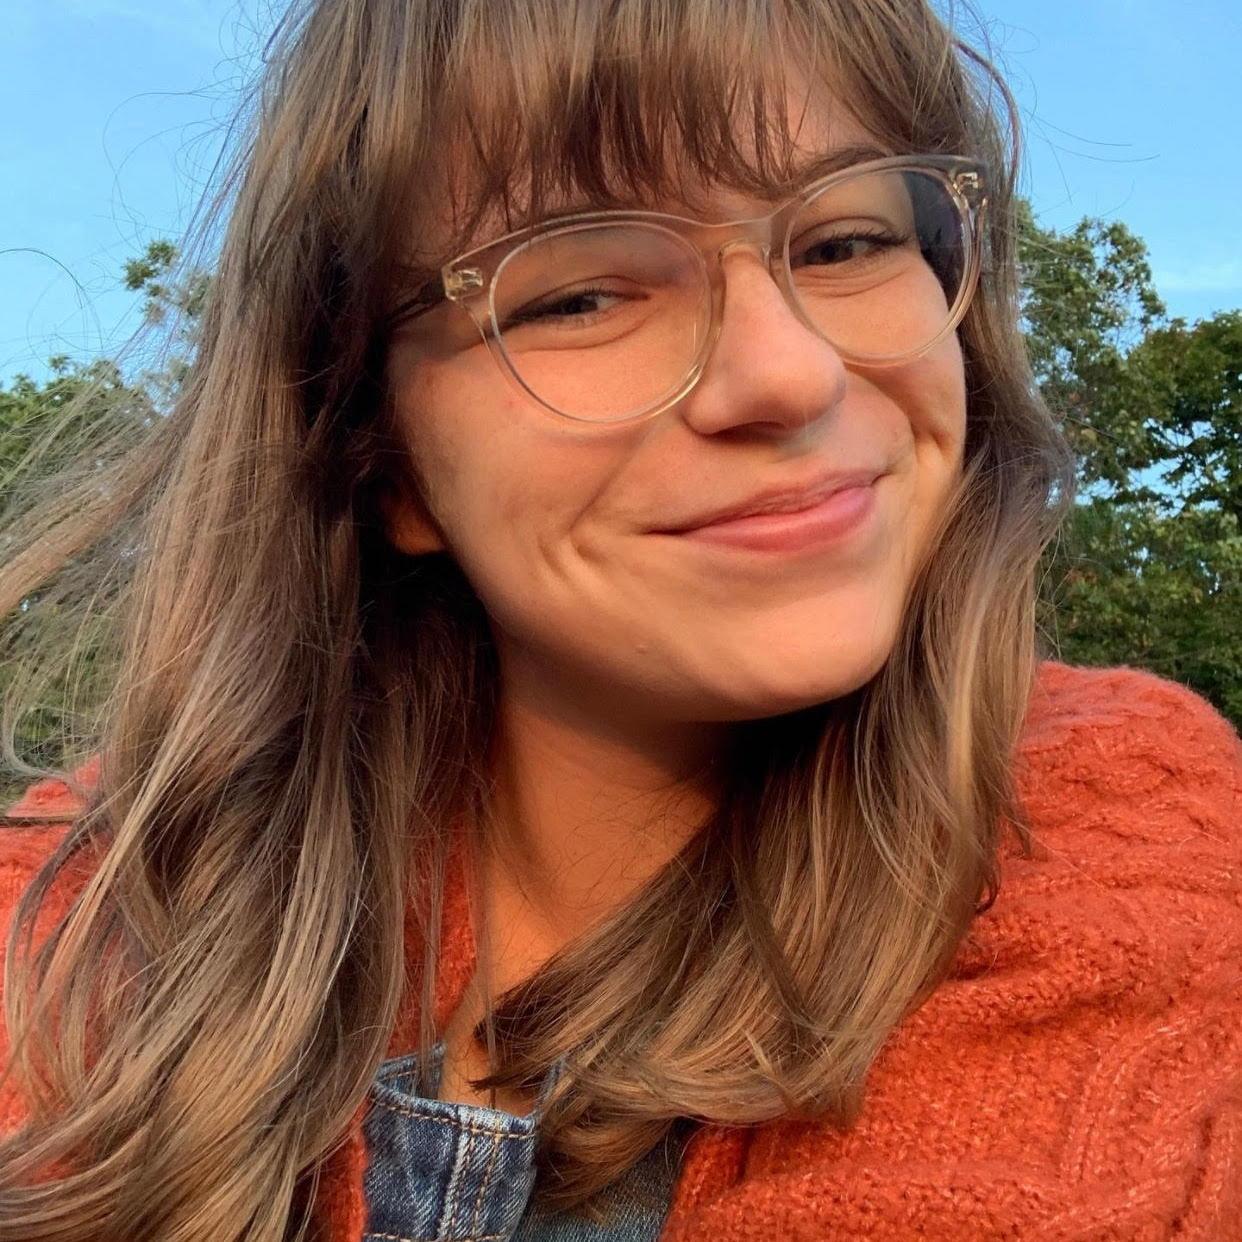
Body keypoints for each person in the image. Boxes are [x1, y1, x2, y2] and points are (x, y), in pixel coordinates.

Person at [0, 0, 1238, 1239]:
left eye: (846, 241)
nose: (791, 373)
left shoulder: (1110, 837)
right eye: (583, 297)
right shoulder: (94, 912)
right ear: (384, 461)